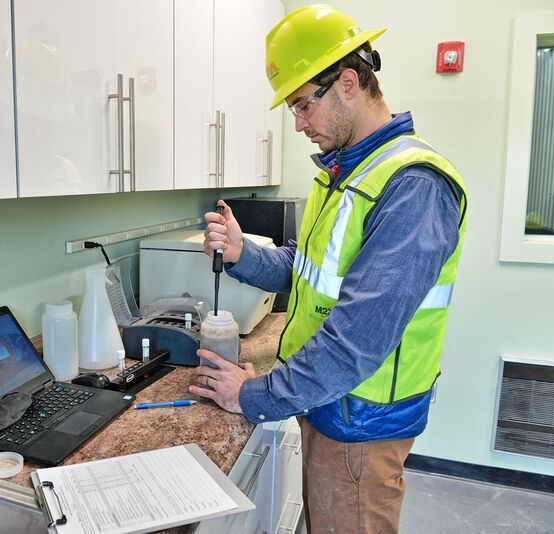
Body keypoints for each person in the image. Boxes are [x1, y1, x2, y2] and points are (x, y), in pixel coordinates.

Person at [189, 5, 468, 533]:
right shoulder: (343, 173)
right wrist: (242, 253)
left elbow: (354, 340)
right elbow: (307, 271)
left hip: (360, 422)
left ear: (346, 83)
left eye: (301, 106)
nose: (298, 125)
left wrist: (252, 395)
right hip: (327, 403)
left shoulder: (412, 184)